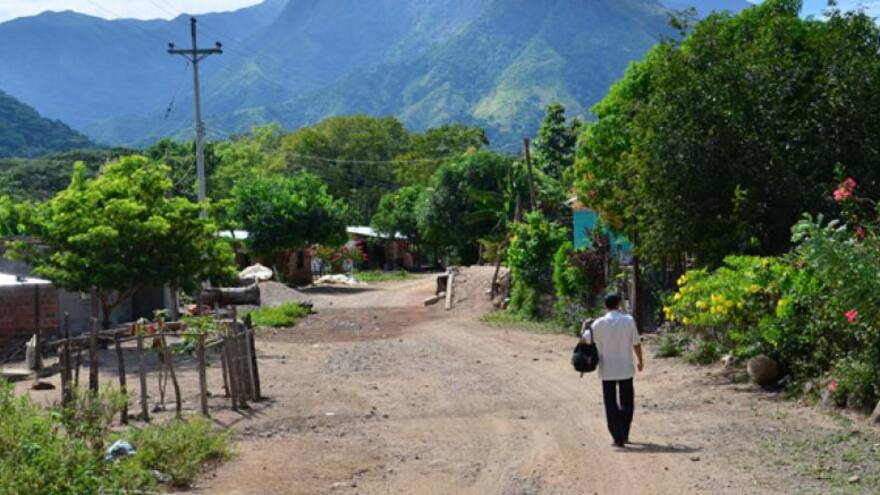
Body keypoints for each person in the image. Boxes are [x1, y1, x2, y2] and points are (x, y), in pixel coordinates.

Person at [582, 293, 644, 448]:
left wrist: (584, 327)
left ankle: (617, 437)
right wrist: (640, 360)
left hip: (607, 370)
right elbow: (636, 342)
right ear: (619, 304)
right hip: (625, 368)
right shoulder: (628, 320)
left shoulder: (599, 323)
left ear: (605, 306)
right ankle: (624, 433)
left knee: (610, 404)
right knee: (627, 402)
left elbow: (585, 339)